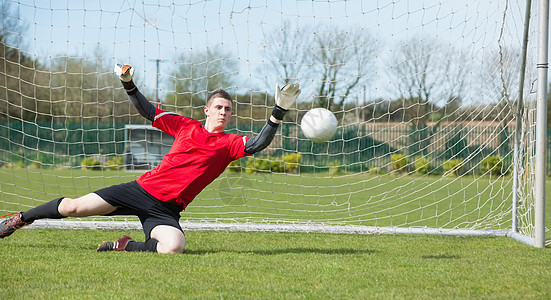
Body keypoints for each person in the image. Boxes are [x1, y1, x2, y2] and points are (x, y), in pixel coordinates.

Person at [0, 64, 301, 254]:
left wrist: (279, 110)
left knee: (173, 248)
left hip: (166, 210)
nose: (224, 112)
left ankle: (125, 246)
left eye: (228, 109)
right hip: (140, 190)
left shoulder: (229, 144)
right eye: (219, 107)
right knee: (73, 207)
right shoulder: (185, 125)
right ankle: (19, 219)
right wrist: (128, 83)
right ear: (207, 110)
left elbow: (259, 142)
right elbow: (147, 110)